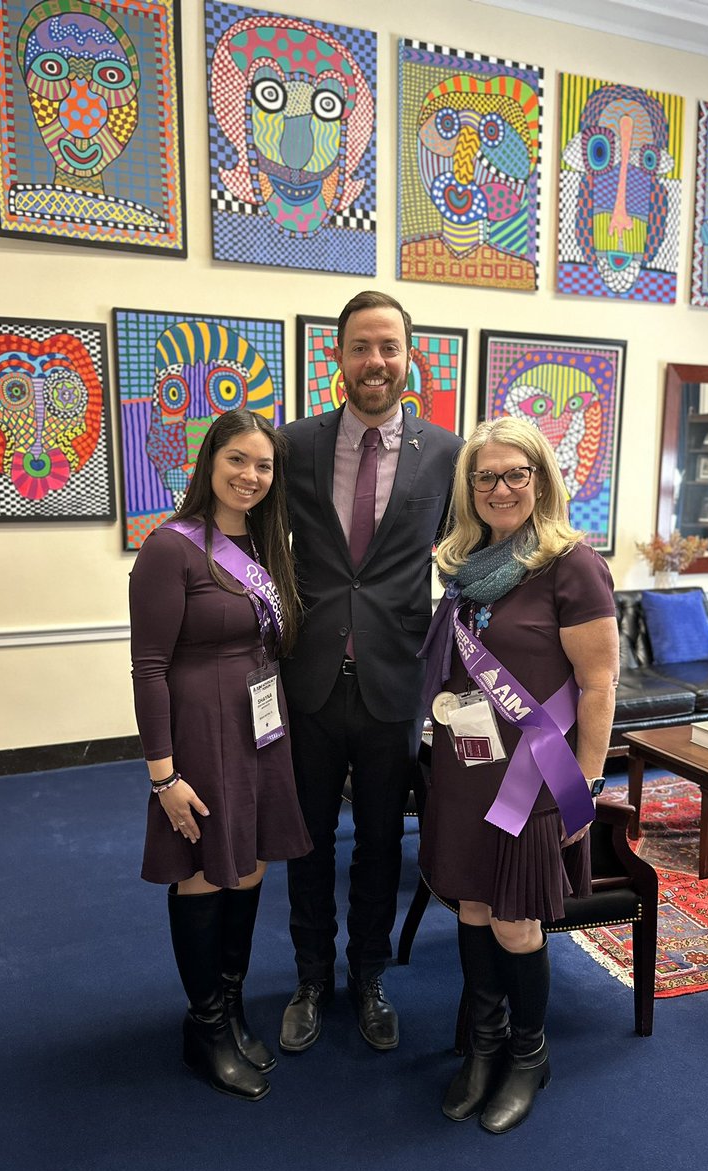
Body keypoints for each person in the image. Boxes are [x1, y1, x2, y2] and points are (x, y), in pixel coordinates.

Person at [418, 416, 618, 1133]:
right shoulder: (464, 568)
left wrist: (585, 786)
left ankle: (529, 1055)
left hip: (533, 780)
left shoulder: (572, 564)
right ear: (468, 489)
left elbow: (597, 686)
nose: (500, 488)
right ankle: (484, 1044)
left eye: (515, 474)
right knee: (472, 907)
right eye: (485, 477)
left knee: (514, 922)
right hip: (467, 769)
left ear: (540, 479)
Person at [279, 291, 463, 1054]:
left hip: (395, 683)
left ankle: (370, 976)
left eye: (389, 347)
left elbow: (468, 558)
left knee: (384, 843)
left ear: (408, 356)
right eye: (361, 347)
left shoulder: (448, 454)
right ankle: (311, 978)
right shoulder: (291, 446)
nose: (375, 362)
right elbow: (257, 547)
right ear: (340, 357)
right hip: (310, 679)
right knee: (308, 840)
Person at [129, 410, 311, 1102]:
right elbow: (148, 668)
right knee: (206, 868)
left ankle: (230, 1006)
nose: (250, 476)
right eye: (238, 460)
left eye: (263, 466)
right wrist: (163, 775)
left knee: (252, 858)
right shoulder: (170, 549)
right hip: (200, 731)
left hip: (262, 725)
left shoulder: (267, 547)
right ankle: (204, 1025)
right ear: (210, 461)